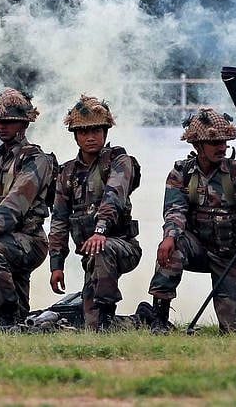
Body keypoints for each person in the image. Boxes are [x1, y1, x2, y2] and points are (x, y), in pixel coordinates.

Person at [147, 107, 236, 333]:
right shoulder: (182, 173)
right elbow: (175, 210)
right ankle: (159, 319)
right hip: (198, 249)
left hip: (232, 255)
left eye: (224, 142)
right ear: (197, 145)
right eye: (214, 143)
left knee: (234, 331)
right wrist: (170, 236)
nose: (221, 147)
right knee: (172, 247)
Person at [48, 95, 142, 330]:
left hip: (121, 245)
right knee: (92, 325)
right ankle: (140, 321)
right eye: (84, 131)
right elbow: (59, 219)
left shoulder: (119, 161)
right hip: (91, 256)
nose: (91, 137)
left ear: (105, 132)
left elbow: (114, 197)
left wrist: (101, 230)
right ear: (76, 136)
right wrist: (56, 264)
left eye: (97, 131)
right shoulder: (67, 173)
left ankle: (107, 318)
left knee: (102, 249)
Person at [0, 88, 53, 326]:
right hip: (7, 239)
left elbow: (15, 202)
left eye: (9, 122)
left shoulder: (35, 159)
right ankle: (18, 323)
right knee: (20, 307)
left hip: (30, 239)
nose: (2, 127)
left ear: (23, 124)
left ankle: (4, 320)